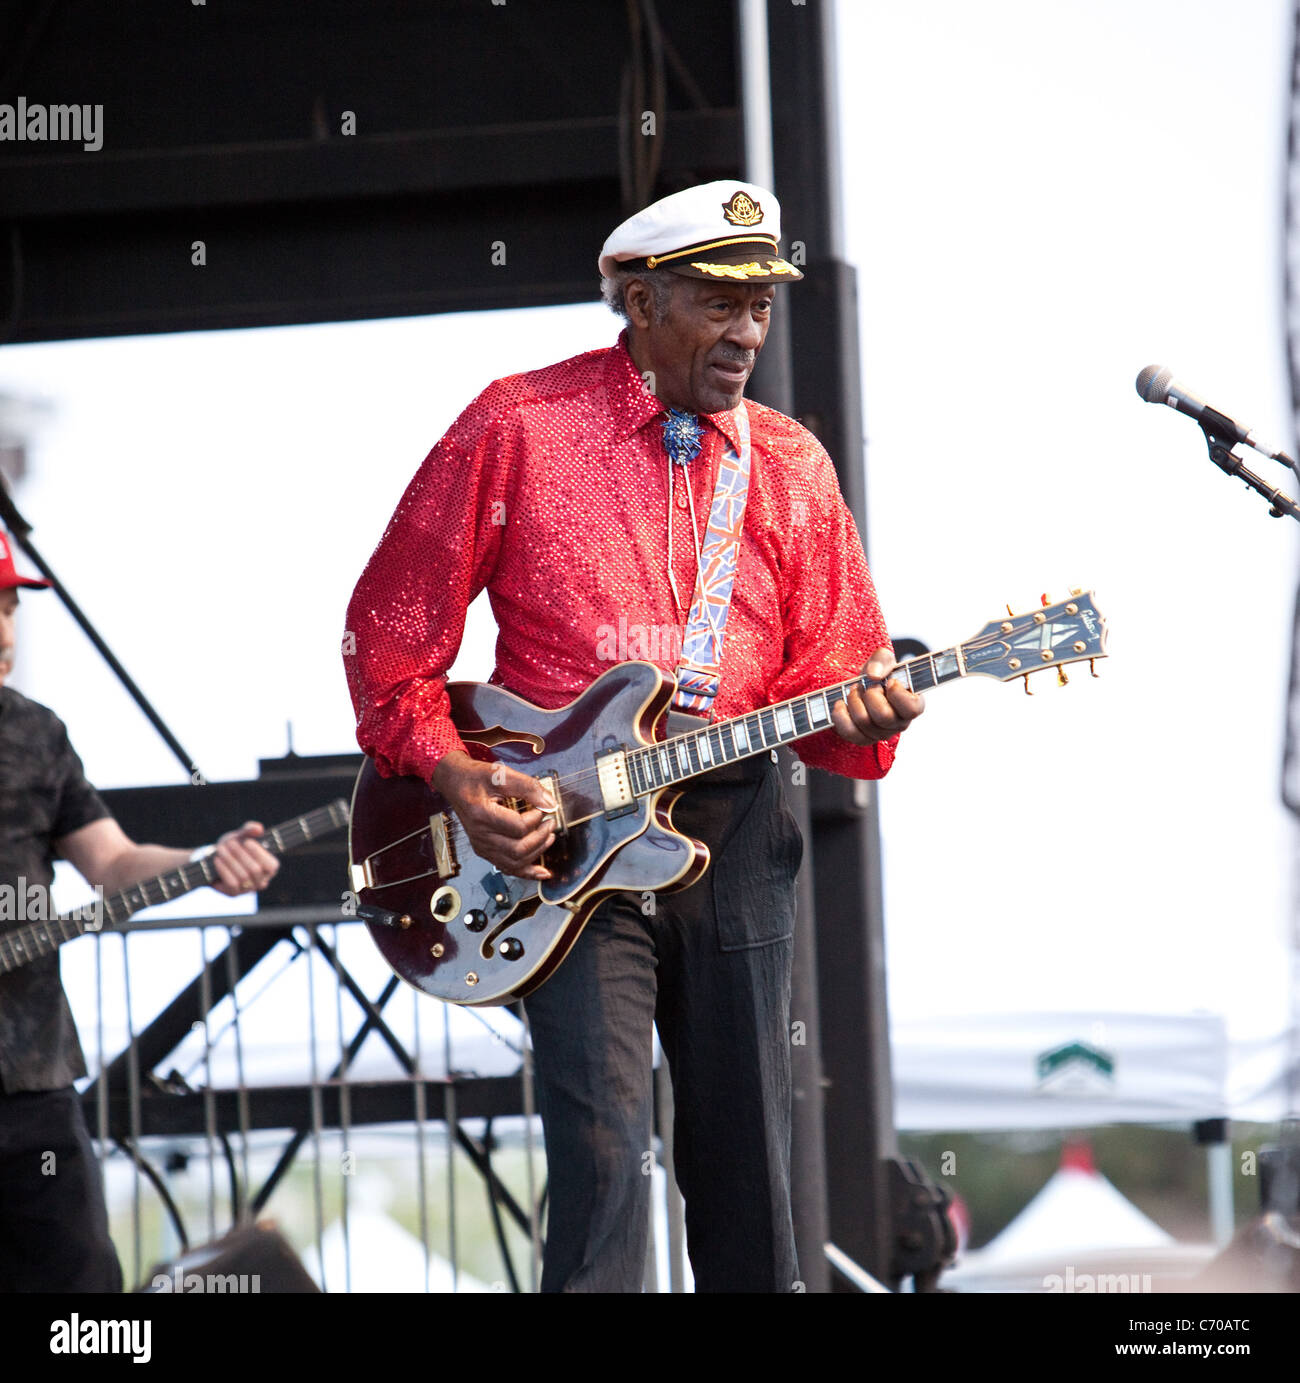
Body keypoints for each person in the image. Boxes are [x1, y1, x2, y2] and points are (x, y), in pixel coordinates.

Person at [344, 180, 924, 1292]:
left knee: (754, 1172)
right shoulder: (516, 421)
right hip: (557, 836)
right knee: (605, 1155)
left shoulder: (792, 462)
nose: (748, 329)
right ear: (641, 299)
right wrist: (455, 771)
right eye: (719, 300)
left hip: (739, 820)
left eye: (760, 303)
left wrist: (870, 706)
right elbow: (390, 633)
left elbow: (836, 683)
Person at [0, 532, 280, 1291]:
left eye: (11, 608)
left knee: (88, 1300)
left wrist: (203, 866)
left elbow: (114, 866)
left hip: (32, 1086)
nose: (4, 632)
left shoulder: (36, 734)